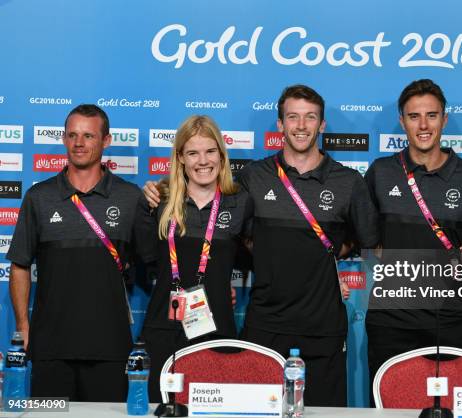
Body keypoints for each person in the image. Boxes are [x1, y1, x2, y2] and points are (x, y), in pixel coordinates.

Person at [144, 84, 378, 406]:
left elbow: (366, 242)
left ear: (321, 125)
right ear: (280, 124)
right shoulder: (254, 179)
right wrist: (156, 192)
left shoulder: (348, 181)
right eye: (292, 117)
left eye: (310, 117)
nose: (301, 125)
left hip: (323, 327)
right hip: (264, 327)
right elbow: (235, 241)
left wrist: (325, 264)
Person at [7, 104, 150, 401]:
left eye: (88, 135)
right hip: (50, 348)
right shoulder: (39, 197)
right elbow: (20, 265)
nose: (79, 143)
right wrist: (24, 327)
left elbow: (155, 264)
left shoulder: (129, 197)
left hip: (111, 347)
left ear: (106, 141)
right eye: (72, 135)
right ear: (64, 139)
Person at [364, 79, 462, 397]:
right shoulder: (380, 173)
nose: (423, 125)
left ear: (444, 119)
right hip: (389, 324)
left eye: (432, 115)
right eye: (414, 116)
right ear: (402, 120)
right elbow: (366, 241)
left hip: (450, 322)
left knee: (448, 410)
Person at [139, 115, 251, 403]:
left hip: (217, 330)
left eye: (210, 151)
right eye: (193, 153)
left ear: (221, 155)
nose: (203, 161)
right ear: (180, 158)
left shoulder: (240, 203)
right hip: (164, 329)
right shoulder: (158, 200)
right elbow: (143, 260)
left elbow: (264, 257)